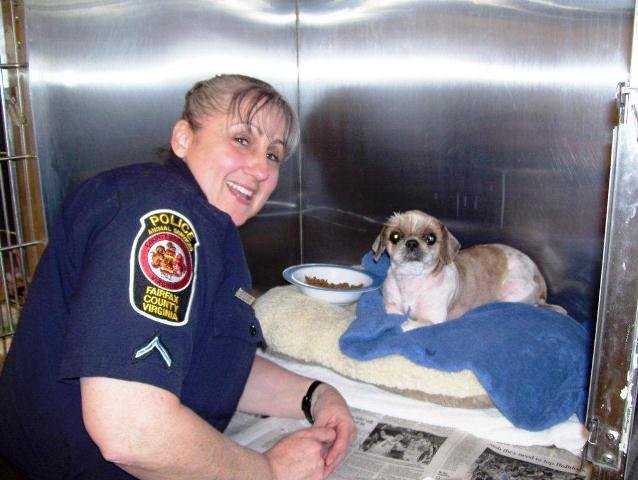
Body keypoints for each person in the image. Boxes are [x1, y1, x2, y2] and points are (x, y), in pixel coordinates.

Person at [0, 74, 356, 479]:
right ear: (183, 138)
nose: (260, 168)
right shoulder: (164, 219)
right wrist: (268, 472)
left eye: (273, 155)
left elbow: (211, 361)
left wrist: (315, 396)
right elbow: (129, 430)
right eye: (242, 139)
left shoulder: (211, 228)